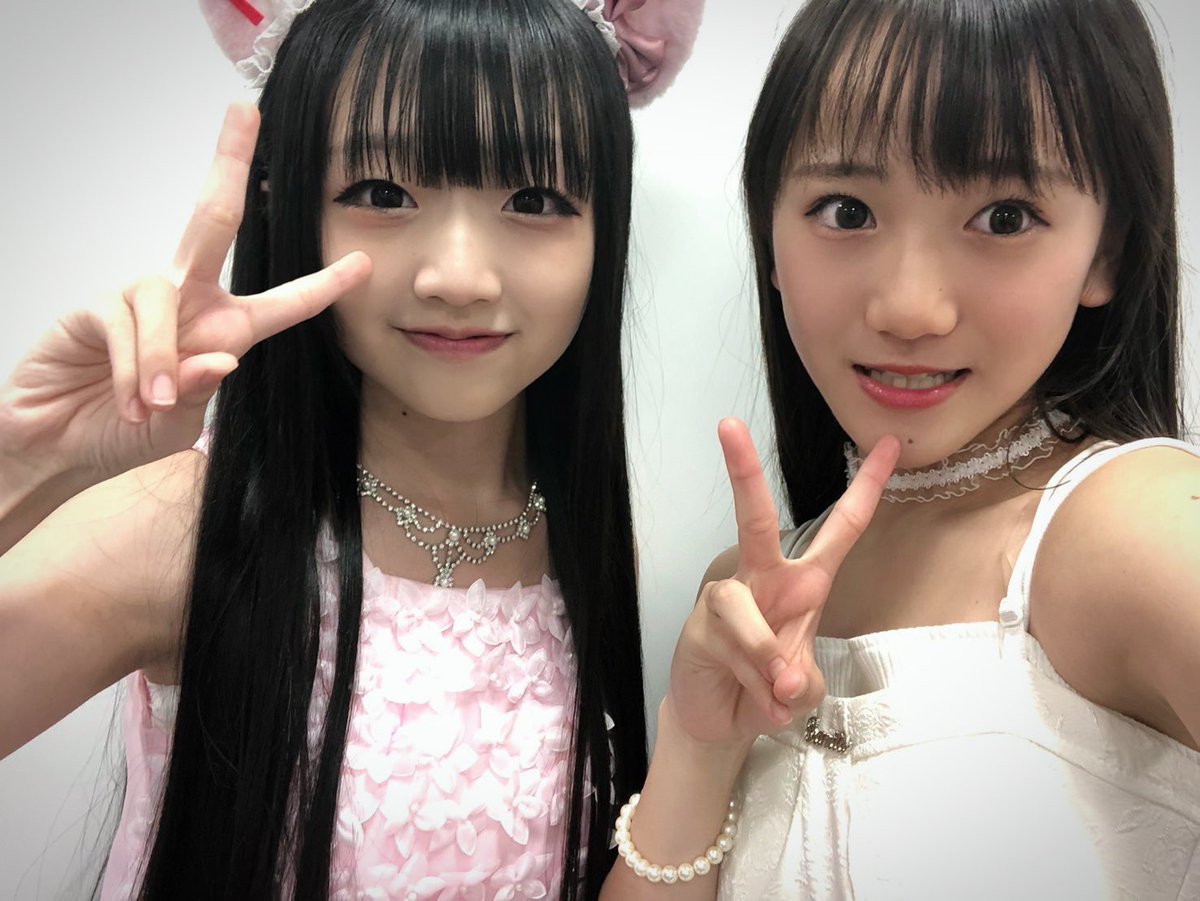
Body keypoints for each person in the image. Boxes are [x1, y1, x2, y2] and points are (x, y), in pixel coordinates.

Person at [0, 0, 703, 897]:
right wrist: (27, 465)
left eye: (533, 200)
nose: (458, 277)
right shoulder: (194, 526)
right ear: (287, 202)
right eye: (382, 194)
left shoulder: (583, 536)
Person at [602, 0, 1200, 896]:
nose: (910, 308)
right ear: (770, 235)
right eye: (845, 210)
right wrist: (696, 746)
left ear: (1105, 253)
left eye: (1005, 217)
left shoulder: (1137, 529)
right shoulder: (749, 591)